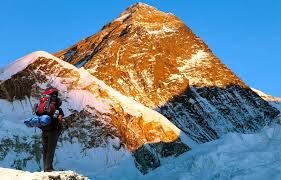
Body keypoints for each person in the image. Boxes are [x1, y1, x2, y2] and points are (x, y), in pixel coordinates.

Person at [34, 88, 64, 172]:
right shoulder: (58, 110)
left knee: (45, 149)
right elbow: (60, 120)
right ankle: (49, 168)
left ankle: (45, 168)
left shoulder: (44, 107)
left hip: (44, 130)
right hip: (53, 131)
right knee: (51, 149)